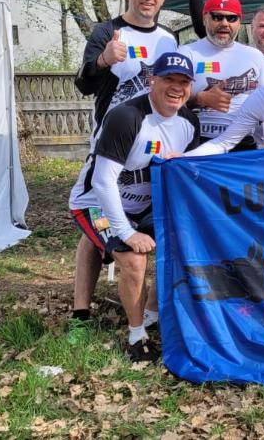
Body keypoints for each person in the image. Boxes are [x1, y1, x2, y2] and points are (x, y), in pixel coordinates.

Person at [68, 51, 201, 361]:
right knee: (134, 260)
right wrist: (127, 233)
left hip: (146, 206)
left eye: (184, 82)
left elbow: (185, 177)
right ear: (152, 80)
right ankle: (135, 336)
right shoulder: (127, 117)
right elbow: (103, 182)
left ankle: (151, 312)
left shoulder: (189, 122)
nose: (177, 88)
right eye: (168, 79)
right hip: (95, 204)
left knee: (181, 244)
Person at [70, 0, 177, 322]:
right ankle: (80, 313)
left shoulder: (169, 38)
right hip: (111, 145)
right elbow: (83, 84)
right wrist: (104, 60)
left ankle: (147, 312)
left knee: (137, 224)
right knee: (99, 213)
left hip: (151, 147)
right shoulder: (107, 32)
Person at [178, 0, 264, 149]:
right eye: (217, 17)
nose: (224, 23)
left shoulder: (255, 56)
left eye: (231, 18)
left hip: (242, 145)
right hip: (196, 142)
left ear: (239, 22)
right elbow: (165, 98)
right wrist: (199, 99)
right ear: (205, 18)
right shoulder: (186, 53)